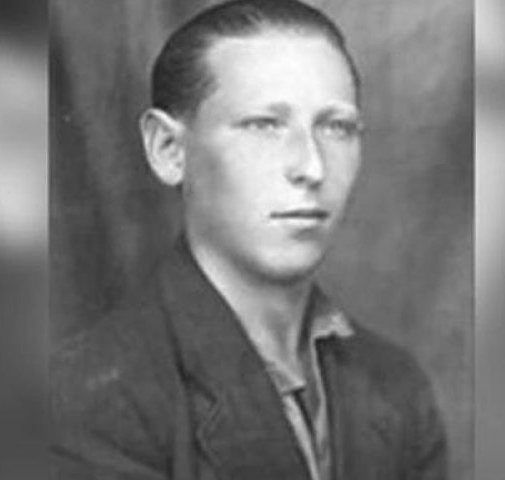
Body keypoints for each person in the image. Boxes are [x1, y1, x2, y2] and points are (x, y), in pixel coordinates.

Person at [52, 1, 447, 479]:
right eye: (264, 125)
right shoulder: (89, 401)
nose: (312, 167)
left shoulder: (397, 386)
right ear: (168, 149)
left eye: (336, 127)